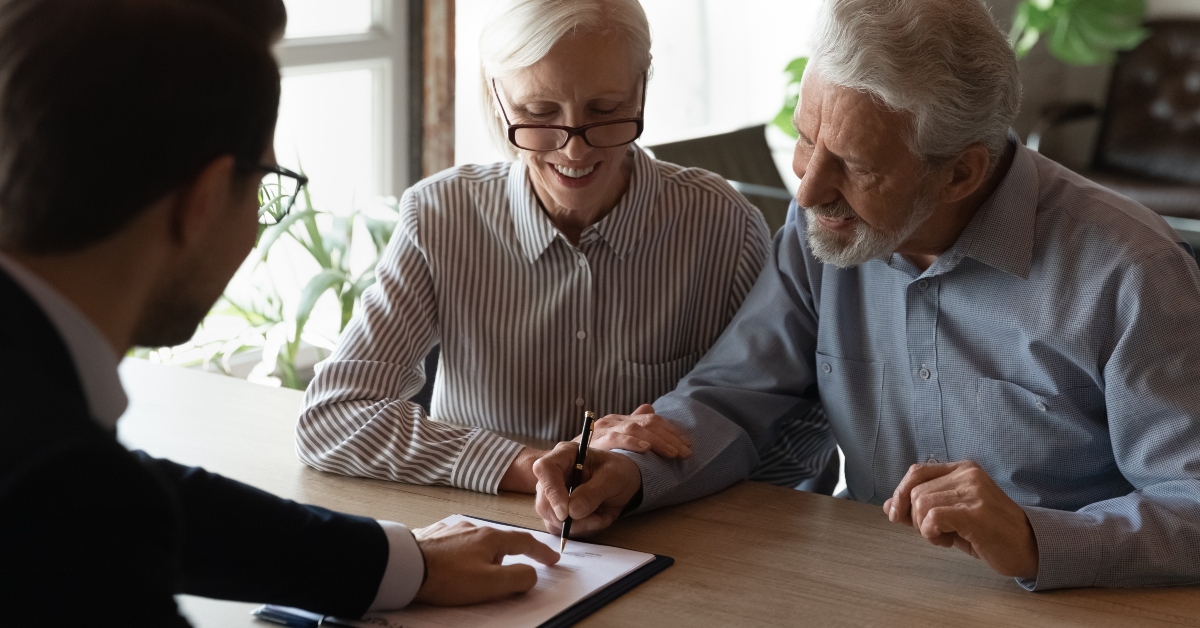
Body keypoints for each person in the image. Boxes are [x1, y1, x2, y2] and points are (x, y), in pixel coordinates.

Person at [532, 0, 1200, 590]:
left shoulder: (1132, 272)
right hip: (864, 583)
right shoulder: (823, 228)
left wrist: (1036, 539)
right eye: (804, 137)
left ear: (962, 170)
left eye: (854, 165)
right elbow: (733, 395)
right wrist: (625, 470)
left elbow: (1191, 501)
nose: (807, 190)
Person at [0, 1, 558, 624]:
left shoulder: (45, 435)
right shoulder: (48, 492)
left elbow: (120, 495)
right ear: (205, 199)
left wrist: (395, 565)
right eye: (269, 180)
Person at [295, 0, 831, 496]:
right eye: (539, 110)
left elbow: (789, 424)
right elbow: (334, 415)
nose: (574, 147)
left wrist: (654, 478)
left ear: (641, 87)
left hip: (673, 541)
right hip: (480, 534)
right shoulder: (439, 217)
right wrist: (532, 468)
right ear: (495, 97)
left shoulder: (722, 225)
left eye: (605, 109)